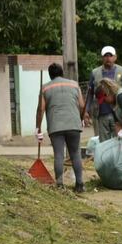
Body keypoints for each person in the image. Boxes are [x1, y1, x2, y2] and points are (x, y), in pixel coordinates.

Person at [35, 63, 86, 193]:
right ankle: (80, 184)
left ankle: (60, 185)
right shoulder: (74, 84)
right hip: (74, 124)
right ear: (62, 72)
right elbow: (81, 105)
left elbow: (41, 110)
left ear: (50, 74)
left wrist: (38, 128)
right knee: (75, 154)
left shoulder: (45, 88)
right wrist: (82, 119)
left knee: (58, 155)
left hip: (55, 126)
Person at [85, 46, 122, 141]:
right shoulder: (95, 73)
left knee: (119, 141)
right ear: (102, 58)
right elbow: (90, 93)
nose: (108, 58)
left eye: (110, 56)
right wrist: (86, 111)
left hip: (118, 114)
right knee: (103, 142)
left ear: (115, 57)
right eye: (105, 56)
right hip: (101, 114)